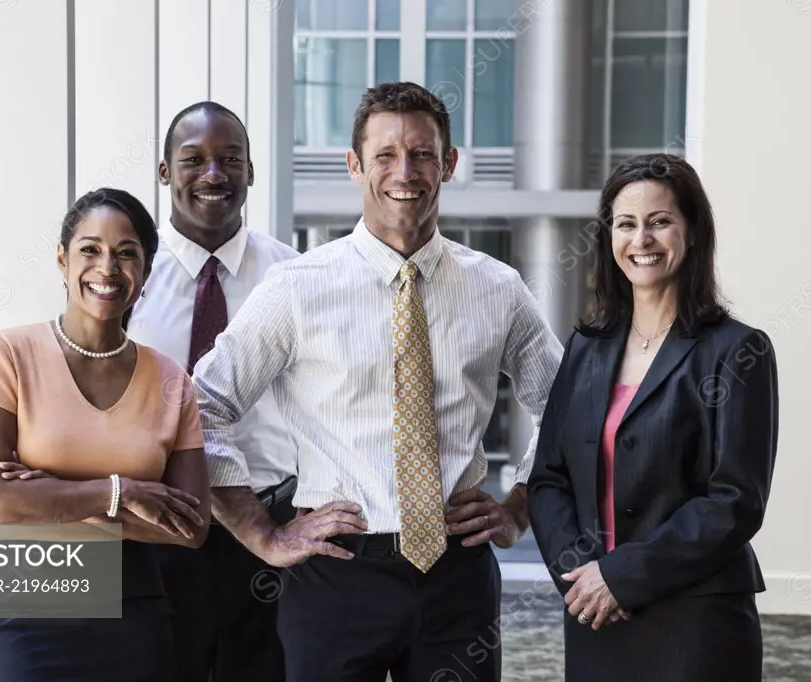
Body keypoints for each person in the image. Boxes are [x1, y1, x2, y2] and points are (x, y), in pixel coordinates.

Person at [189, 81, 564, 682]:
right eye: (385, 155)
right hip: (335, 572)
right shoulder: (298, 287)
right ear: (355, 166)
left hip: (457, 575)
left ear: (449, 164)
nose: (404, 171)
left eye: (421, 153)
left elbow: (567, 408)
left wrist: (521, 505)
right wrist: (258, 531)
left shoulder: (497, 288)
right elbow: (201, 405)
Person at [527, 153, 779, 681]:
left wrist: (621, 577)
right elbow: (550, 478)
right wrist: (582, 580)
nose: (641, 239)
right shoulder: (585, 350)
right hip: (595, 617)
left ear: (692, 233)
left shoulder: (737, 351)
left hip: (696, 624)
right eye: (626, 224)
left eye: (660, 222)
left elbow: (735, 501)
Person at [0, 187, 211, 682]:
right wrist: (126, 493)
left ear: (146, 270)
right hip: (25, 611)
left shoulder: (171, 382)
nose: (108, 268)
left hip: (134, 611)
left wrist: (47, 491)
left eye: (126, 253)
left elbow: (192, 527)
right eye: (90, 249)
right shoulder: (5, 355)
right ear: (62, 259)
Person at [126, 100, 300, 682]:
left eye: (230, 159)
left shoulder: (294, 276)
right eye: (193, 160)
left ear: (250, 171)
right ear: (163, 172)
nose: (213, 174)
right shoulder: (125, 281)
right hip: (161, 528)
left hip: (270, 525)